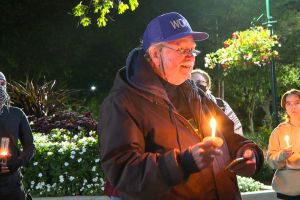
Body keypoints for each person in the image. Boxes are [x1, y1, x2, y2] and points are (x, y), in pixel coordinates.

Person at [99, 12, 264, 200]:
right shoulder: (122, 103)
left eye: (192, 50)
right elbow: (124, 172)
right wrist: (184, 163)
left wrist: (247, 153)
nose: (190, 58)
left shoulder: (195, 93)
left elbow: (227, 135)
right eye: (181, 50)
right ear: (154, 53)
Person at [0, 71, 35, 200]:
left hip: (12, 182)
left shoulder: (17, 114)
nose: (0, 88)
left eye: (2, 84)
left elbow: (30, 146)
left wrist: (17, 162)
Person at [267, 89, 300, 199]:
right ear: (285, 107)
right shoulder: (279, 131)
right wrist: (282, 155)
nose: (293, 107)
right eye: (289, 104)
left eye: (297, 103)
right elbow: (271, 160)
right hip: (286, 187)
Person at [191, 69, 244, 135]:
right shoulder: (182, 107)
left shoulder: (221, 105)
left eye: (199, 82)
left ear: (208, 86)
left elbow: (236, 129)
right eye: (191, 83)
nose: (195, 86)